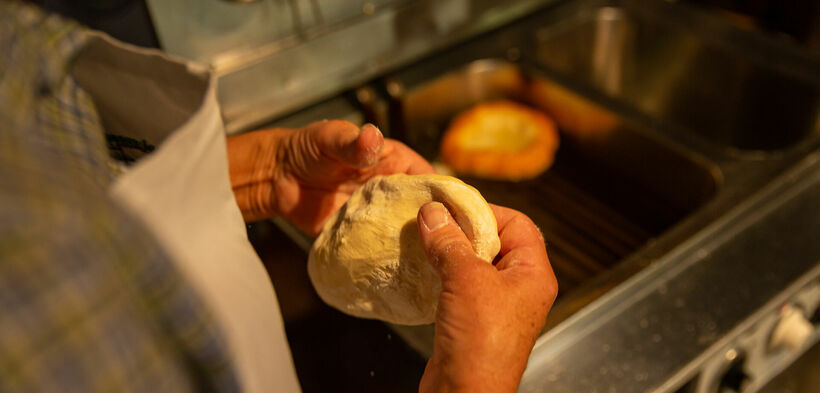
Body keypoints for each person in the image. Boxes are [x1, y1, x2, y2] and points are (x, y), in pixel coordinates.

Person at [0, 2, 558, 393]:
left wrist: (262, 172)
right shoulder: (41, 320)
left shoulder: (22, 58)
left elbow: (90, 189)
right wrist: (472, 384)